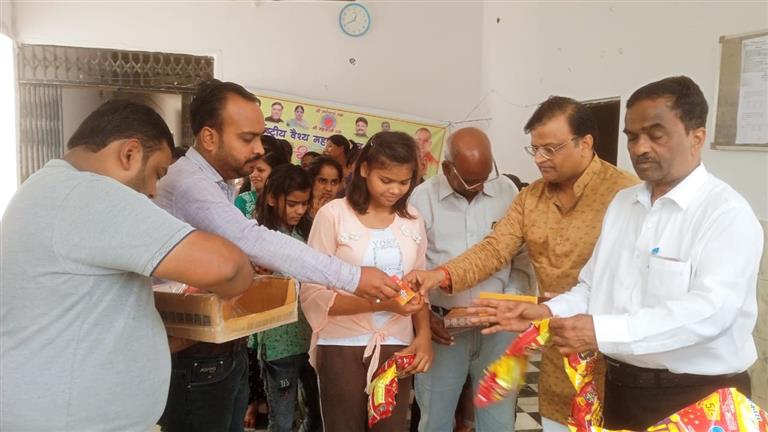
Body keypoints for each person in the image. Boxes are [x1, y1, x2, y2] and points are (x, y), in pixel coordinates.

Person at [471, 76, 764, 430]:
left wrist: (601, 331)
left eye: (655, 135)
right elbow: (593, 287)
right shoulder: (625, 204)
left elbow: (711, 313)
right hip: (622, 391)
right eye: (632, 136)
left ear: (696, 137)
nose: (640, 148)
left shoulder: (726, 214)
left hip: (700, 398)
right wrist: (547, 311)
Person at [154, 80, 401, 432]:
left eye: (259, 137)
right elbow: (250, 238)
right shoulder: (189, 183)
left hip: (218, 347)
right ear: (209, 137)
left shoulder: (216, 183)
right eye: (247, 138)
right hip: (196, 353)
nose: (258, 149)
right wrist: (354, 276)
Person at [0, 100, 253, 431]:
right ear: (129, 154)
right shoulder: (87, 193)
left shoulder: (53, 188)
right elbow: (229, 267)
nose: (152, 191)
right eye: (157, 174)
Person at [406, 96, 638, 431]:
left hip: (613, 352)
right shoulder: (531, 197)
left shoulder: (626, 195)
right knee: (557, 422)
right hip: (557, 347)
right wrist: (440, 275)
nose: (540, 159)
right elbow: (495, 249)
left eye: (550, 149)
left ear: (585, 143)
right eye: (535, 149)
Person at [301, 131, 434, 432]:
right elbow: (312, 293)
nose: (395, 190)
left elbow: (418, 287)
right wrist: (381, 304)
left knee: (391, 427)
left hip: (396, 343)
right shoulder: (334, 215)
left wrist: (423, 336)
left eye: (404, 182)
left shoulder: (413, 219)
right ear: (364, 169)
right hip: (342, 343)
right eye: (386, 180)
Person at [410, 127, 528, 432]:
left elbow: (520, 256)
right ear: (448, 169)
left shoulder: (507, 191)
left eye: (485, 177)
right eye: (472, 180)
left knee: (499, 421)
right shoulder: (422, 199)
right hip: (443, 330)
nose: (481, 186)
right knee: (435, 420)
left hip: (499, 330)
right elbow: (412, 266)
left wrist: (511, 300)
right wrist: (425, 317)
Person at [251, 164, 322, 432]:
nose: (300, 210)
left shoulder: (309, 233)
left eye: (304, 203)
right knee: (281, 420)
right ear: (271, 198)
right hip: (278, 344)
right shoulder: (258, 236)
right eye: (292, 204)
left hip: (311, 337)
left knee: (317, 415)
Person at [234, 135, 290, 219]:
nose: (253, 174)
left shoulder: (288, 201)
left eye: (260, 170)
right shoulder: (243, 201)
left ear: (276, 171)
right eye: (251, 168)